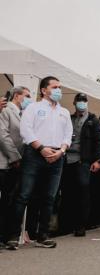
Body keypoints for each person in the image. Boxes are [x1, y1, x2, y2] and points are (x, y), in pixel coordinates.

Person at [7, 76, 72, 250]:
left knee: (49, 198)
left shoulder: (64, 112)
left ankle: (43, 236)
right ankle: (13, 235)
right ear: (44, 90)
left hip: (57, 157)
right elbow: (25, 130)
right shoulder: (33, 108)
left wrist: (61, 151)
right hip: (35, 154)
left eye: (60, 86)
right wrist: (41, 148)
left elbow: (68, 135)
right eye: (55, 86)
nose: (59, 90)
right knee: (24, 195)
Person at [61, 93, 100, 237]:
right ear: (74, 103)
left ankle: (81, 225)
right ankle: (66, 225)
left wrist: (98, 160)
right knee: (67, 192)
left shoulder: (93, 120)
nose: (81, 103)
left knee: (83, 193)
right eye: (79, 100)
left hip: (83, 161)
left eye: (84, 101)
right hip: (67, 159)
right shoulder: (69, 118)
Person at [0, 86, 31, 247]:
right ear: (17, 96)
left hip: (17, 164)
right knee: (4, 200)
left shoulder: (23, 114)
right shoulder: (6, 111)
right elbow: (3, 135)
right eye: (27, 96)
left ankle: (6, 236)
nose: (29, 99)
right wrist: (15, 157)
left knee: (10, 200)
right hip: (5, 162)